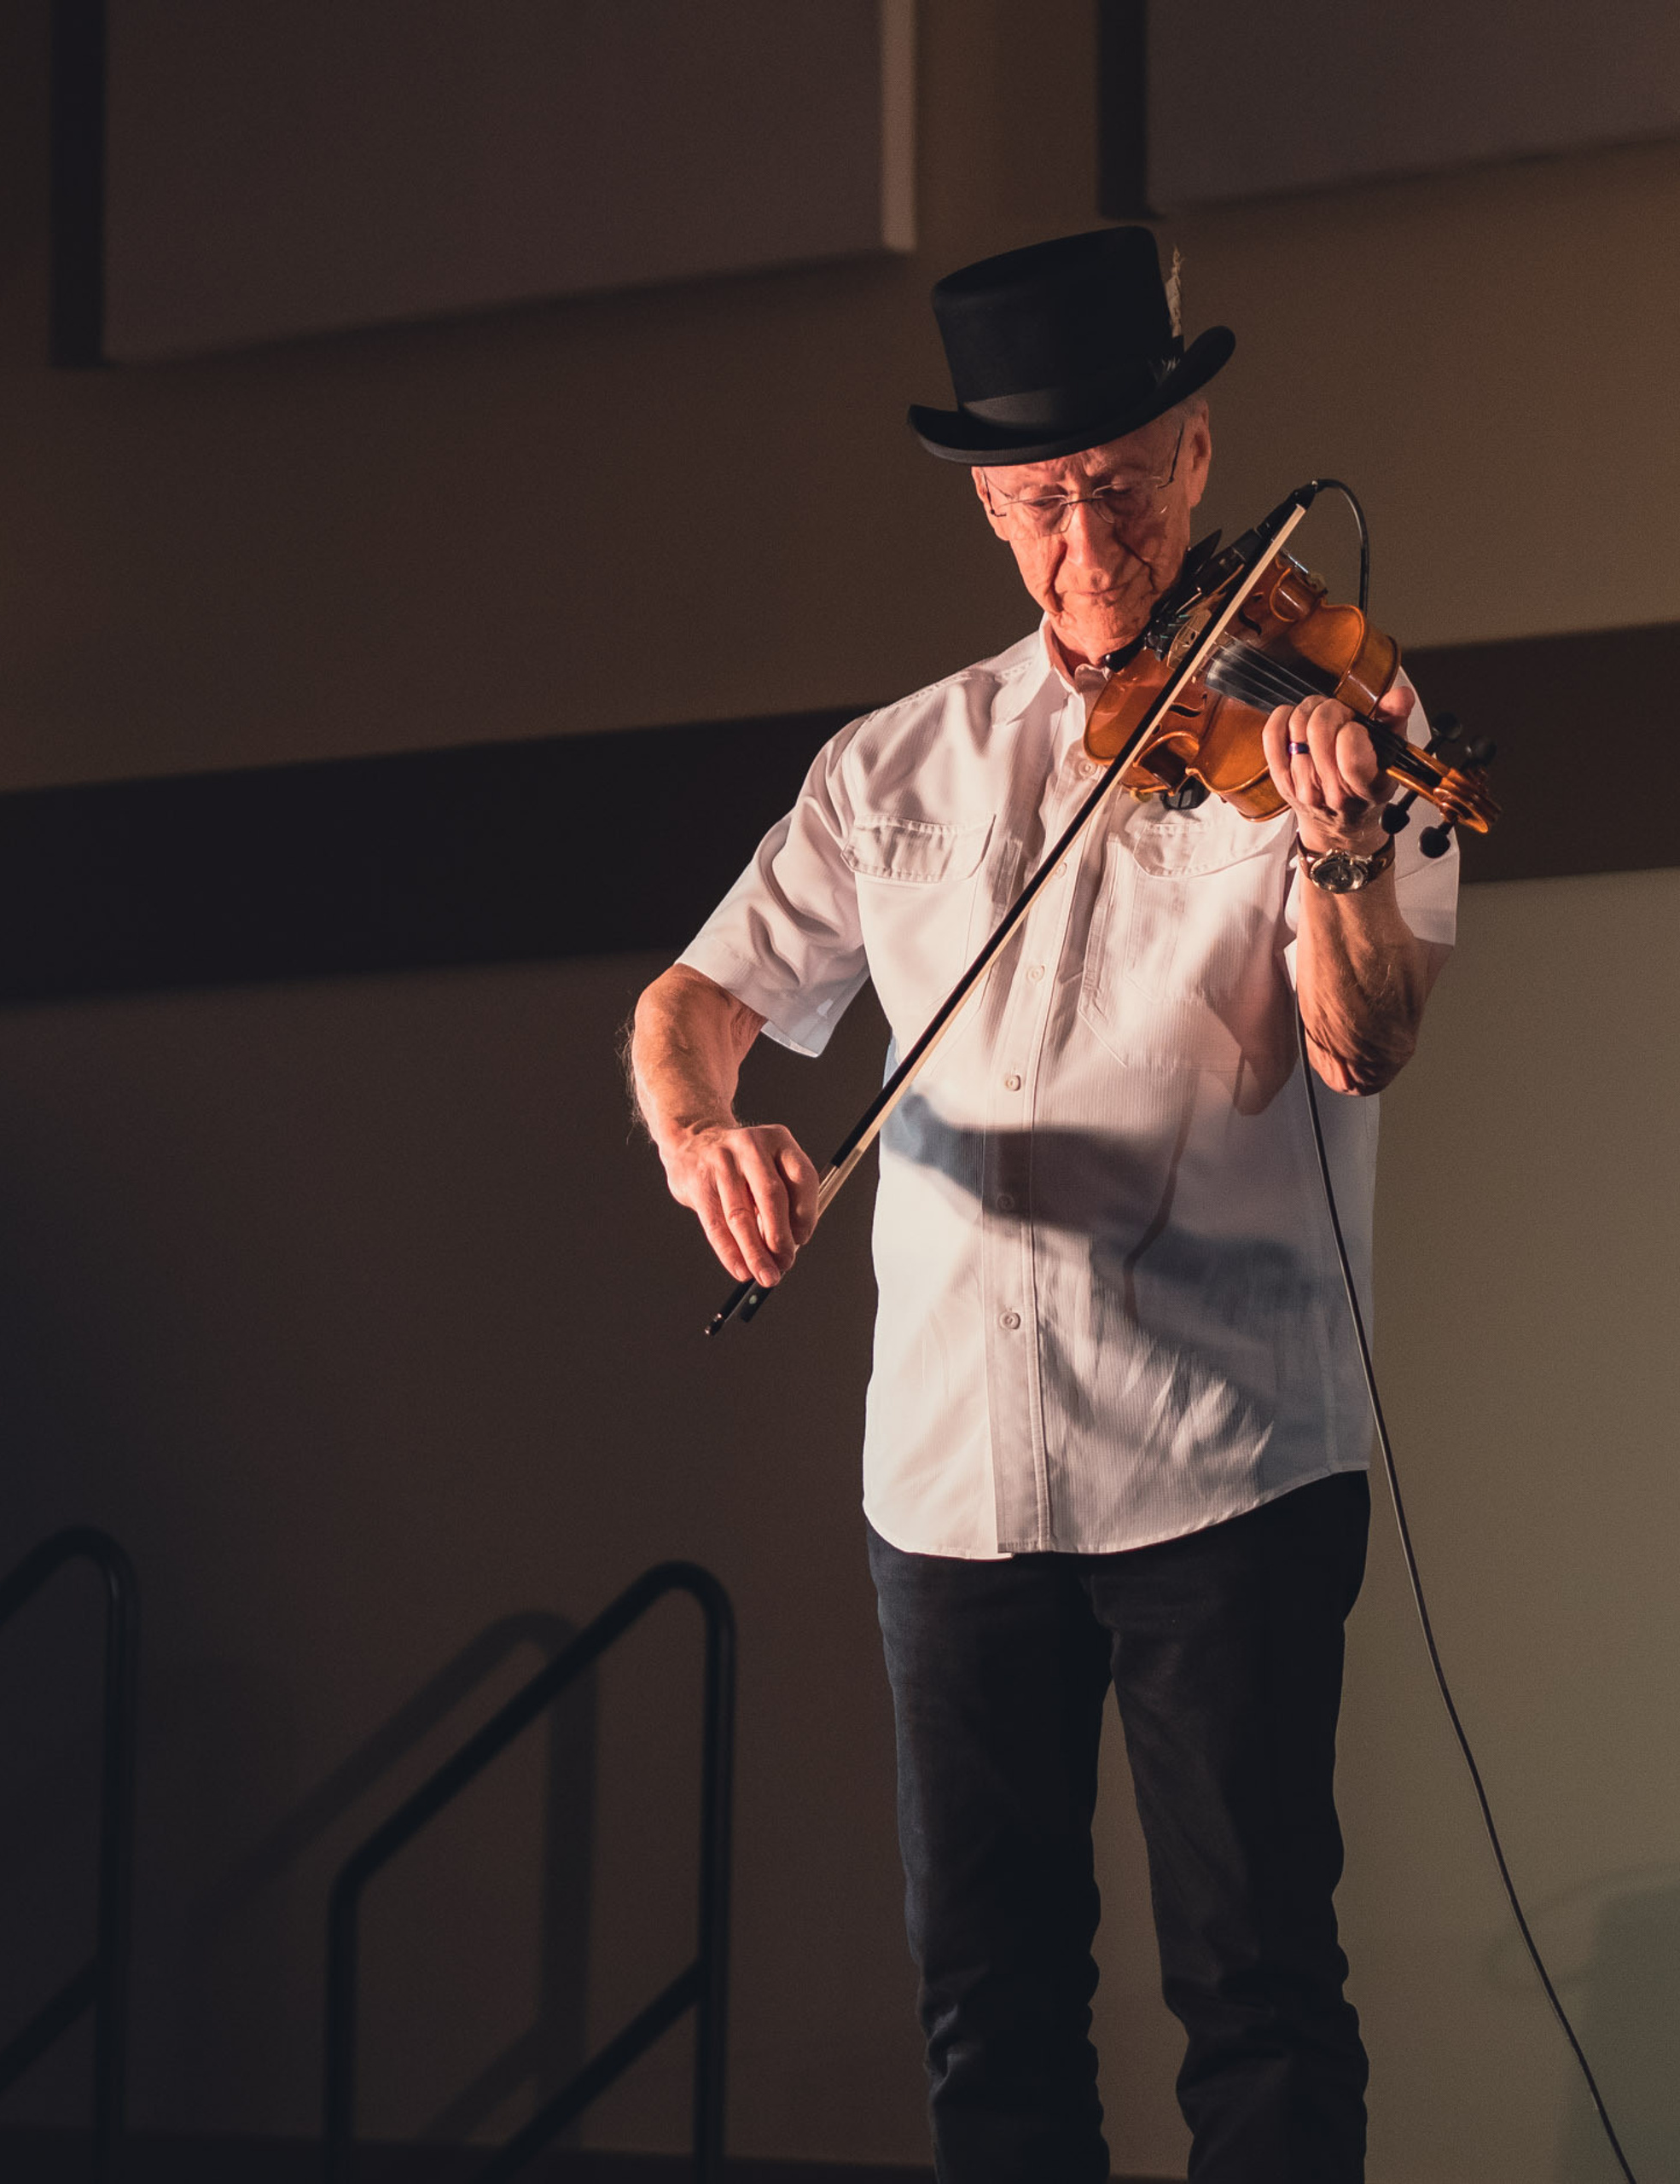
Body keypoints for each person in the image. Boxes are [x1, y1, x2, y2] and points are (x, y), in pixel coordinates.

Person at [626, 228, 1457, 2184]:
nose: (1084, 538)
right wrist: (701, 1132)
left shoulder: (1322, 707)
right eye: (1034, 499)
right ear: (986, 507)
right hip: (950, 1480)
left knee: (1254, 1988)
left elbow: (1363, 1047)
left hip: (1225, 1462)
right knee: (985, 1998)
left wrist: (1332, 851)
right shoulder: (893, 761)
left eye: (1114, 481)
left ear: (1192, 453)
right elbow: (693, 1001)